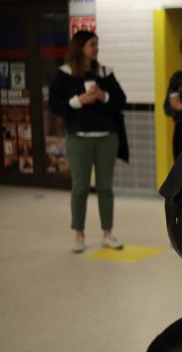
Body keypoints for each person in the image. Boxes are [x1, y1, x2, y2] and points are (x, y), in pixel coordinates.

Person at [50, 30, 127, 253]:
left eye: (97, 44)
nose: (96, 48)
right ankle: (79, 234)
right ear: (80, 47)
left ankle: (108, 233)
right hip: (78, 138)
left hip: (106, 138)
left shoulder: (105, 73)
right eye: (92, 44)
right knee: (80, 188)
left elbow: (121, 101)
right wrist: (78, 100)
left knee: (105, 188)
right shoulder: (64, 74)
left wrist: (104, 97)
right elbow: (56, 105)